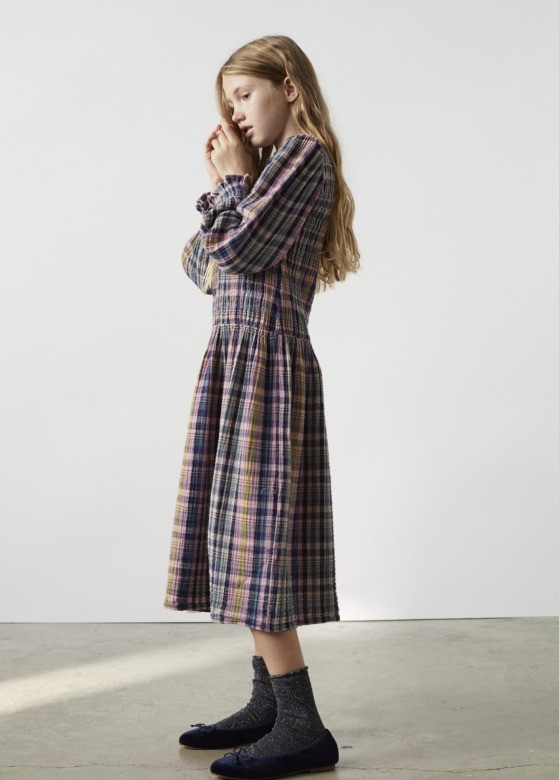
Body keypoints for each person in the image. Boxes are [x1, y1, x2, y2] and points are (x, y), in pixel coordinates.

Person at [163, 34, 360, 779]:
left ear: (289, 87)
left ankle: (303, 727)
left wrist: (232, 184)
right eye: (228, 103)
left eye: (244, 95)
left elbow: (235, 256)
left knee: (260, 545)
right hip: (238, 362)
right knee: (239, 541)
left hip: (268, 366)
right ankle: (269, 704)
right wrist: (235, 190)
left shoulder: (304, 159)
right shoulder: (270, 173)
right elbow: (198, 265)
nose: (235, 114)